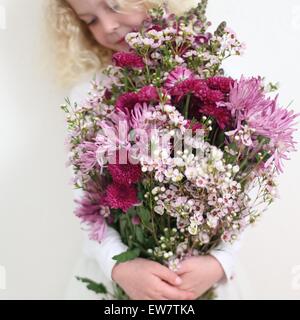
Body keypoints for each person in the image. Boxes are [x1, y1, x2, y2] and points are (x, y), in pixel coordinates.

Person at [46, 0, 245, 300]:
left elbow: (240, 188)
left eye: (114, 5)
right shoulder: (90, 94)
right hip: (119, 280)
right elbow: (86, 204)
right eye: (90, 21)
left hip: (200, 278)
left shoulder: (209, 75)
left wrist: (220, 261)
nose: (108, 26)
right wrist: (119, 266)